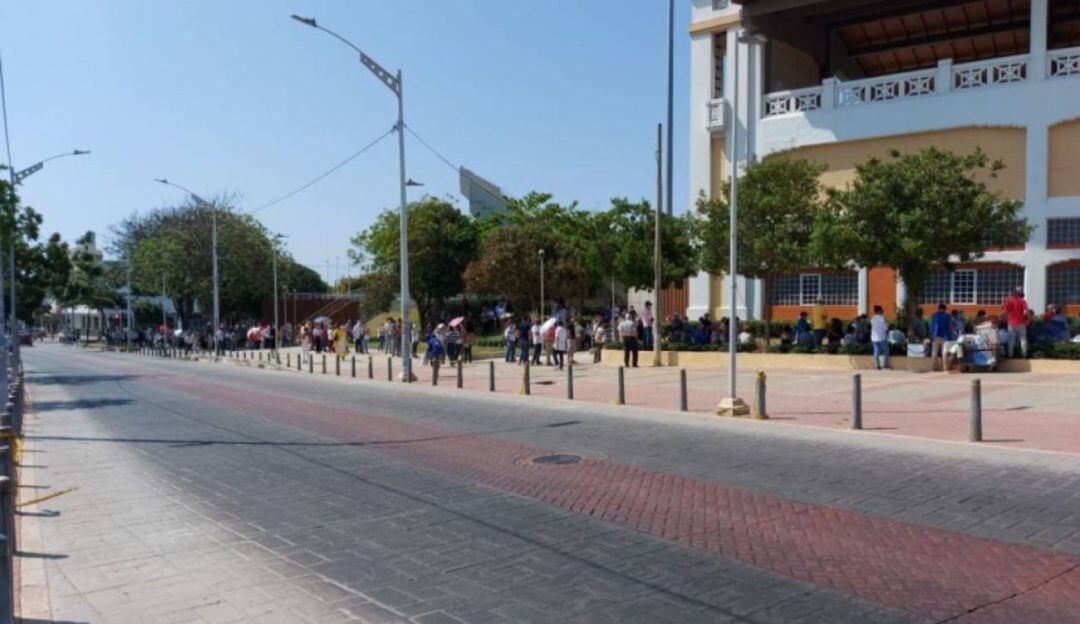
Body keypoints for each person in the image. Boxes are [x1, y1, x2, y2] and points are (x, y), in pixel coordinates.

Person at [1003, 287, 1029, 358]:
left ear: (1012, 294)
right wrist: (1027, 320)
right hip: (1021, 322)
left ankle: (1010, 355)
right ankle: (1024, 355)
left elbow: (1006, 311)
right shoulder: (1022, 301)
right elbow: (1025, 312)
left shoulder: (1008, 301)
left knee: (1011, 339)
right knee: (1023, 338)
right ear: (1018, 294)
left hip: (1011, 322)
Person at [929, 303, 952, 372]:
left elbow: (932, 326)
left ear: (938, 309)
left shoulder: (934, 316)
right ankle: (945, 367)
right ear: (944, 309)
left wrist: (931, 335)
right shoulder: (947, 316)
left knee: (934, 352)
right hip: (944, 336)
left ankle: (933, 367)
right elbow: (949, 327)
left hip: (935, 336)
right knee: (944, 352)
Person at [870, 305, 889, 370]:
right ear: (879, 311)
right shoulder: (881, 318)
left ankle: (878, 365)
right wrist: (887, 326)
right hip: (882, 337)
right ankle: (885, 365)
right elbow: (885, 328)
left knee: (876, 351)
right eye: (881, 310)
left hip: (874, 337)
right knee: (886, 351)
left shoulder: (872, 318)